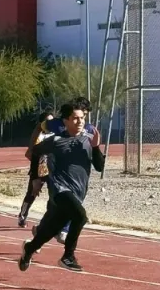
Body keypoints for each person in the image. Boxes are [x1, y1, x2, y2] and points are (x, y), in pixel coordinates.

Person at [18, 102, 104, 273]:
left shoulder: (87, 141)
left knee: (52, 229)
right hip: (59, 189)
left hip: (78, 191)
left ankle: (29, 249)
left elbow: (100, 167)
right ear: (65, 121)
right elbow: (35, 152)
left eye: (82, 118)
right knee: (80, 217)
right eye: (75, 119)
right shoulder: (56, 140)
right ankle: (68, 257)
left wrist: (95, 147)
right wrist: (36, 179)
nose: (80, 122)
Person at [19, 110, 56, 226]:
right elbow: (32, 155)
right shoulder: (37, 136)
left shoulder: (57, 134)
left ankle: (51, 221)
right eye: (47, 121)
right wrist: (35, 176)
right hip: (39, 169)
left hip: (53, 169)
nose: (50, 124)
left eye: (52, 121)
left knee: (55, 195)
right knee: (32, 193)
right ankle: (22, 215)